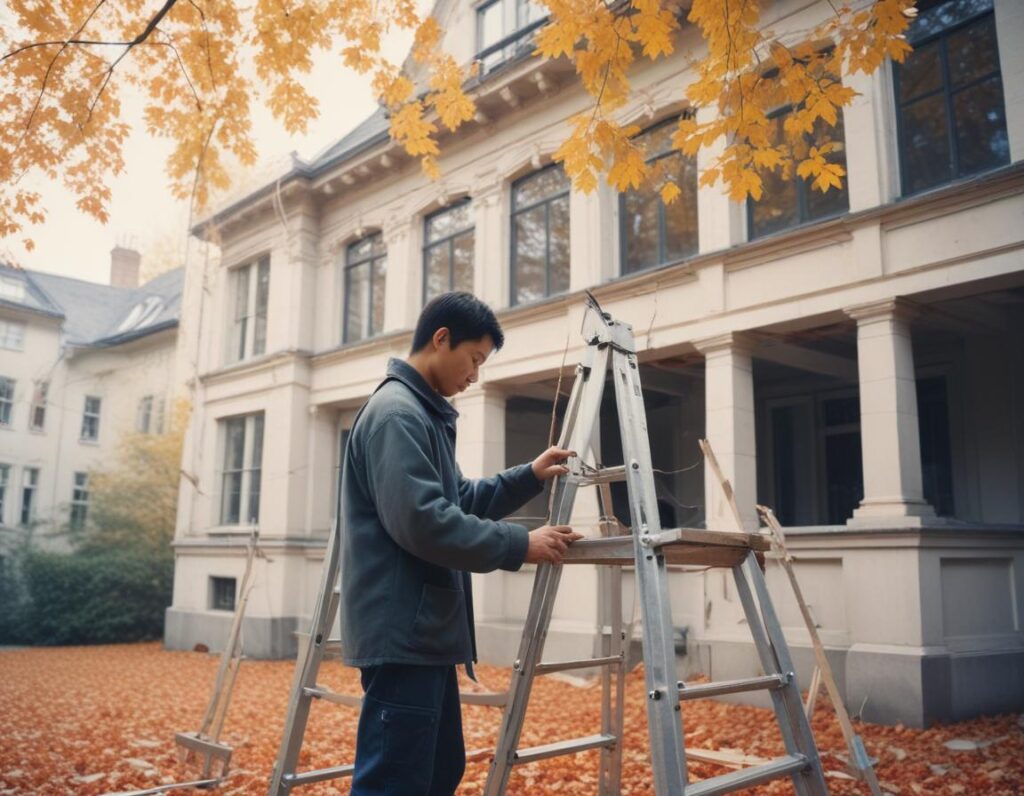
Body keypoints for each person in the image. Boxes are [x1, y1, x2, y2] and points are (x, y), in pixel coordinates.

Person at [339, 291, 583, 795]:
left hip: (422, 636)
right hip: (404, 635)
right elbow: (424, 522)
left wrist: (528, 476)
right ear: (441, 338)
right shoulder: (397, 415)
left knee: (438, 770)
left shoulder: (421, 414)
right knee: (395, 782)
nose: (475, 375)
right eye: (474, 359)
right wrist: (521, 545)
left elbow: (460, 498)